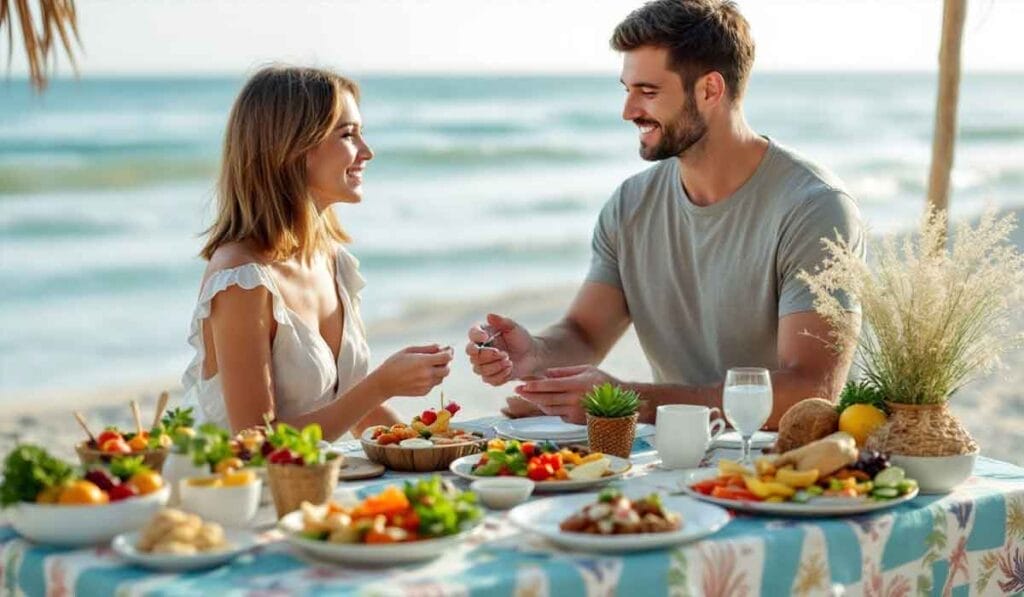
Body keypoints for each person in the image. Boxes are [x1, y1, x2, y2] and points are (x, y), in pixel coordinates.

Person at [466, 0, 863, 428]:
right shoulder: (630, 206)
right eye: (627, 89)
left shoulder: (814, 208)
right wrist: (536, 354)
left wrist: (627, 401)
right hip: (671, 459)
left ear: (710, 90)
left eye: (648, 92)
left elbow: (810, 391)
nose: (629, 111)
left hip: (787, 472)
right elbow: (584, 333)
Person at [182, 66, 453, 439]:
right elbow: (258, 442)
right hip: (240, 491)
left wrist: (436, 444)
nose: (367, 152)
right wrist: (382, 383)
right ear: (294, 148)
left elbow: (352, 406)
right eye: (348, 135)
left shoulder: (332, 260)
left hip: (314, 482)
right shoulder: (241, 277)